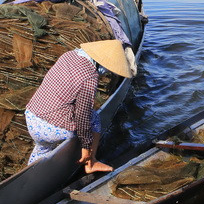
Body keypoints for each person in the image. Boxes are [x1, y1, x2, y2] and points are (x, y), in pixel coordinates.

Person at [25, 39, 134, 172]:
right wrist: (86, 147)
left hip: (31, 118)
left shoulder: (69, 55)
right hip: (51, 129)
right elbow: (82, 116)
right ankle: (91, 162)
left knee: (43, 146)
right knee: (94, 118)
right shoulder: (89, 77)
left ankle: (30, 172)